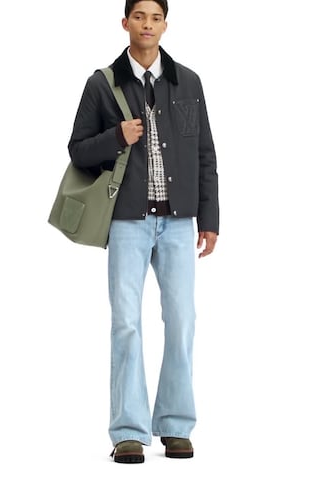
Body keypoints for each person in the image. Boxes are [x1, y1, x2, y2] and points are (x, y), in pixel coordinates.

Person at [68, 0, 219, 463]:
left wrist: (210, 219)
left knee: (183, 320)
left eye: (155, 18)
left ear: (165, 25)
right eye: (139, 17)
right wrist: (117, 136)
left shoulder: (188, 81)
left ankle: (175, 424)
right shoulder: (102, 84)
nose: (147, 25)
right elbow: (78, 151)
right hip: (127, 221)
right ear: (125, 23)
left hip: (178, 222)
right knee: (127, 323)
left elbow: (205, 153)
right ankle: (128, 431)